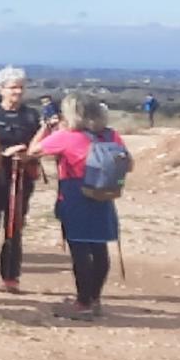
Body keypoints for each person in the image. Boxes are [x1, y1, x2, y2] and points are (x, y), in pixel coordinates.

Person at [33, 93, 125, 320]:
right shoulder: (111, 135)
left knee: (80, 250)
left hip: (75, 195)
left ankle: (82, 302)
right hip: (103, 194)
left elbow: (33, 151)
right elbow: (127, 162)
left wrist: (48, 127)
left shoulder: (67, 136)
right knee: (99, 248)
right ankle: (94, 298)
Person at [0, 66, 44, 293]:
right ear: (1, 89)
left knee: (14, 227)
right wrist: (3, 152)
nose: (18, 92)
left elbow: (40, 145)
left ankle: (11, 276)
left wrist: (28, 155)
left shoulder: (32, 116)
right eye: (13, 87)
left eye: (21, 88)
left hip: (21, 175)